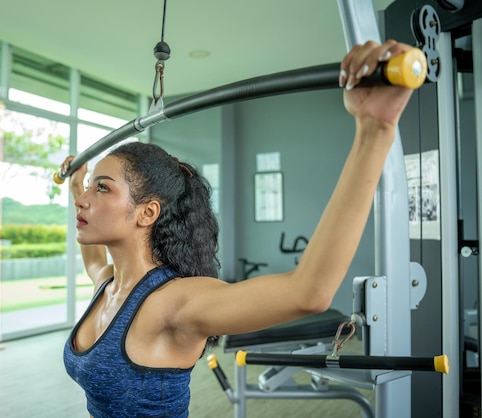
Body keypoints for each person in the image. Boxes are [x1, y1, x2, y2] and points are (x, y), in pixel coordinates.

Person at [61, 39, 416, 418]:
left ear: (147, 213)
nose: (84, 200)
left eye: (102, 188)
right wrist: (75, 184)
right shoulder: (107, 284)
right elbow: (92, 256)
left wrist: (374, 130)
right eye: (88, 189)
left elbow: (307, 292)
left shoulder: (176, 303)